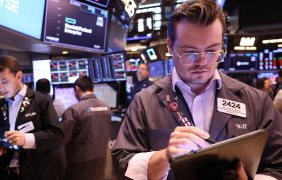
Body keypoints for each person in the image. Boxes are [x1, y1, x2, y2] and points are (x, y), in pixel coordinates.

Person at [112, 0, 282, 179]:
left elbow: (277, 167)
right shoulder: (144, 102)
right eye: (190, 52)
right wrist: (163, 157)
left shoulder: (256, 101)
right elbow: (121, 166)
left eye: (211, 51)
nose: (202, 62)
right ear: (170, 46)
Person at [0, 55, 65, 180]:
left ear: (19, 76)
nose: (1, 88)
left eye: (5, 81)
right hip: (6, 173)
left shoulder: (41, 101)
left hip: (36, 172)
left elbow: (57, 134)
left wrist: (27, 139)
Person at [62, 76, 111, 180]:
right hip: (100, 161)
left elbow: (62, 139)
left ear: (77, 89)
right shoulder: (106, 107)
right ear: (92, 88)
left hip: (79, 165)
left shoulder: (73, 110)